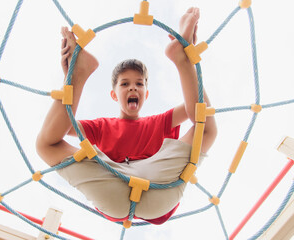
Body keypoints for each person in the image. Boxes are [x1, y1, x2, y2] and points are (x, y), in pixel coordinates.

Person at [36, 7, 217, 225]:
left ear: (146, 94)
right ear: (114, 94)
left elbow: (194, 111)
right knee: (48, 143)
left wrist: (189, 58)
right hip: (118, 181)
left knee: (205, 128)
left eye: (139, 84)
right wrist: (69, 79)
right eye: (125, 84)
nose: (133, 88)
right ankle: (79, 73)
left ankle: (181, 58)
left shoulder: (158, 122)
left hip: (155, 185)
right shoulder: (102, 127)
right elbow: (63, 128)